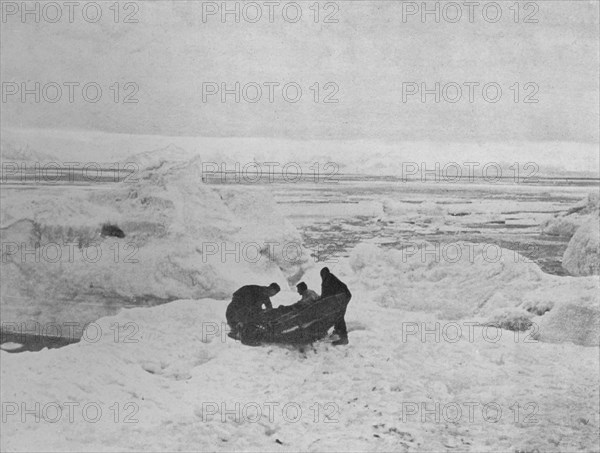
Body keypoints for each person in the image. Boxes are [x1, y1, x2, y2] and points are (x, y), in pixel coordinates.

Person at [320, 267, 352, 345]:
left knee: (338, 315)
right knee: (338, 315)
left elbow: (325, 295)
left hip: (342, 297)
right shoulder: (332, 278)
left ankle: (343, 338)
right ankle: (339, 332)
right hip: (344, 296)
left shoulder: (327, 281)